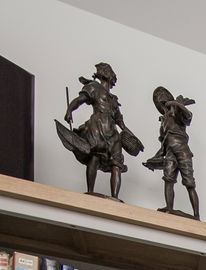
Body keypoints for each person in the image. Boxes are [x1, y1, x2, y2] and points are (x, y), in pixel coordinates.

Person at [55, 62, 143, 200]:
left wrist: (134, 138)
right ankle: (90, 191)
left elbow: (121, 123)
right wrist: (69, 110)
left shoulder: (113, 100)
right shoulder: (94, 87)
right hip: (98, 126)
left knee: (116, 163)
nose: (110, 75)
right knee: (95, 157)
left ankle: (115, 197)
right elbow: (79, 100)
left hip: (113, 133)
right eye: (107, 71)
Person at [144, 87, 200, 219]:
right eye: (157, 96)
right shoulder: (163, 120)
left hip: (183, 151)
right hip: (170, 152)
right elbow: (164, 142)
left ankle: (196, 215)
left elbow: (188, 116)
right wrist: (154, 160)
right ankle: (169, 208)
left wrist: (177, 104)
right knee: (168, 180)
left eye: (162, 95)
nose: (159, 98)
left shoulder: (177, 112)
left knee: (189, 183)